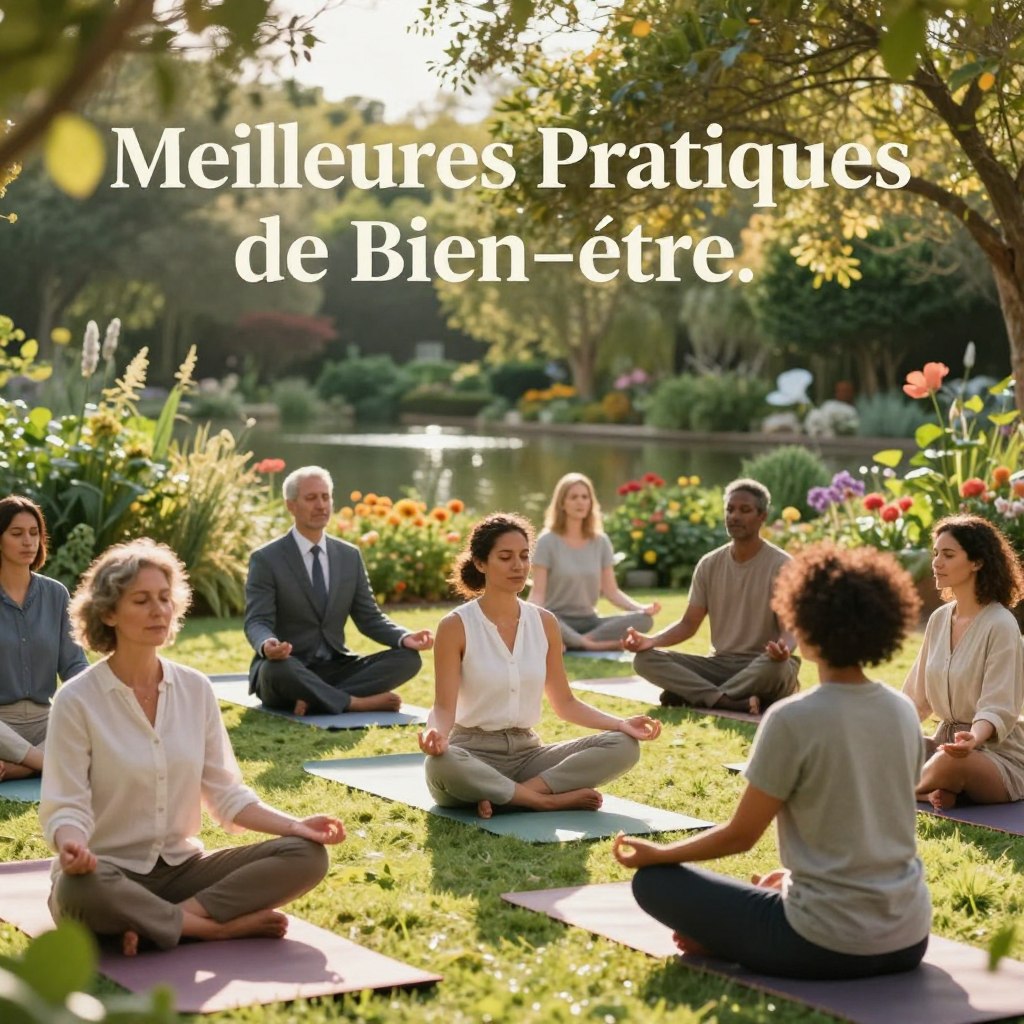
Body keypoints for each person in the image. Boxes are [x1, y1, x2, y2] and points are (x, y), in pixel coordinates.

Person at [614, 543, 931, 980]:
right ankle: (740, 928)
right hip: (909, 938)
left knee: (654, 881)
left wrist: (659, 853)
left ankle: (724, 940)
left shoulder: (792, 718)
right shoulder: (902, 710)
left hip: (822, 942)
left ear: (802, 620)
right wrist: (790, 875)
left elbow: (740, 836)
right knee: (773, 882)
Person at [40, 539, 345, 955]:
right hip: (105, 874)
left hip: (184, 872)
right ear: (108, 613)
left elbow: (227, 795)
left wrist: (295, 826)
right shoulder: (77, 700)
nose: (159, 610)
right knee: (76, 890)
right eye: (142, 600)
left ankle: (158, 922)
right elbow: (66, 804)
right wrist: (72, 846)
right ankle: (214, 929)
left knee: (307, 855)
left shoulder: (195, 688)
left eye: (165, 598)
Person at [419, 512, 662, 817]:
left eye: (524, 556)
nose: (518, 566)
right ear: (480, 563)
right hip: (471, 754)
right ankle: (545, 801)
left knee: (623, 745)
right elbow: (443, 708)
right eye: (505, 557)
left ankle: (514, 795)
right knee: (441, 764)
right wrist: (436, 734)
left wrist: (620, 724)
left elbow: (565, 703)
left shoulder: (545, 622)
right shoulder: (455, 625)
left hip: (527, 756)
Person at [244, 466, 433, 716]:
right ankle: (355, 702)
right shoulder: (266, 559)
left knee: (408, 659)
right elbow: (257, 621)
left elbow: (370, 618)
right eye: (311, 498)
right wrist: (267, 644)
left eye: (326, 497)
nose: (321, 505)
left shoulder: (349, 556)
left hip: (337, 667)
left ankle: (315, 699)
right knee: (275, 670)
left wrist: (404, 637)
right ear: (291, 505)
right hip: (289, 666)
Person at [624, 478, 799, 714]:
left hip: (764, 664)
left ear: (762, 517)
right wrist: (651, 641)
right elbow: (688, 624)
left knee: (778, 668)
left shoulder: (784, 566)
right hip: (719, 665)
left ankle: (695, 694)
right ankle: (725, 700)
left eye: (745, 510)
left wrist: (783, 650)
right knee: (644, 660)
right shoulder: (709, 564)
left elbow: (790, 630)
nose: (734, 516)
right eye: (730, 509)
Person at [903, 514, 1024, 809]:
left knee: (949, 762)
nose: (936, 563)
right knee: (884, 742)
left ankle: (898, 790)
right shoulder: (939, 619)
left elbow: (998, 706)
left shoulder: (1001, 624)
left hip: (994, 755)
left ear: (977, 562)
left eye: (948, 555)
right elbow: (916, 698)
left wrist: (974, 737)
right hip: (943, 744)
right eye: (935, 554)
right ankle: (930, 791)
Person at [0, 495, 88, 780]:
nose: (28, 541)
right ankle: (50, 763)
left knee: (99, 723)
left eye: (34, 533)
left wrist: (95, 695)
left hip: (46, 724)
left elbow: (74, 664)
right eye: (17, 533)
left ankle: (15, 769)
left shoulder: (56, 594)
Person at [529, 472, 660, 651]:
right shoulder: (546, 541)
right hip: (557, 620)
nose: (580, 502)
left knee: (644, 620)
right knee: (539, 617)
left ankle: (579, 642)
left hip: (591, 622)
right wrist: (532, 615)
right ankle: (588, 644)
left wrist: (641, 608)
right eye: (574, 497)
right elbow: (538, 595)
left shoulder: (601, 541)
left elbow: (611, 591)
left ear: (591, 502)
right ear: (562, 503)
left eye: (585, 497)